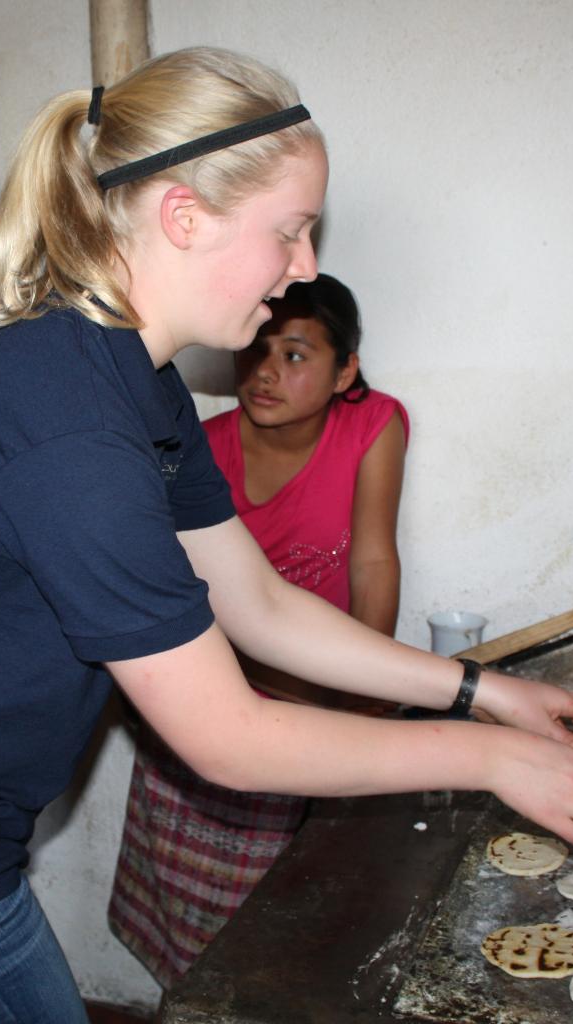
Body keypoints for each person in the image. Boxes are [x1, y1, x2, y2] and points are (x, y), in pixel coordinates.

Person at [0, 47, 573, 1024]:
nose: (306, 266)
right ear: (184, 217)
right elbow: (228, 737)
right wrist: (486, 760)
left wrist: (486, 693)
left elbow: (258, 602)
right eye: (291, 230)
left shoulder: (134, 380)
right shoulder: (66, 432)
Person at [108, 273, 408, 986]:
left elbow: (372, 559)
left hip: (327, 695)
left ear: (346, 373)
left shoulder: (375, 424)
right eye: (258, 351)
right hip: (213, 704)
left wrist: (363, 696)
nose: (267, 373)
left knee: (308, 925)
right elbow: (185, 610)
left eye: (297, 355)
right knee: (205, 937)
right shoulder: (194, 446)